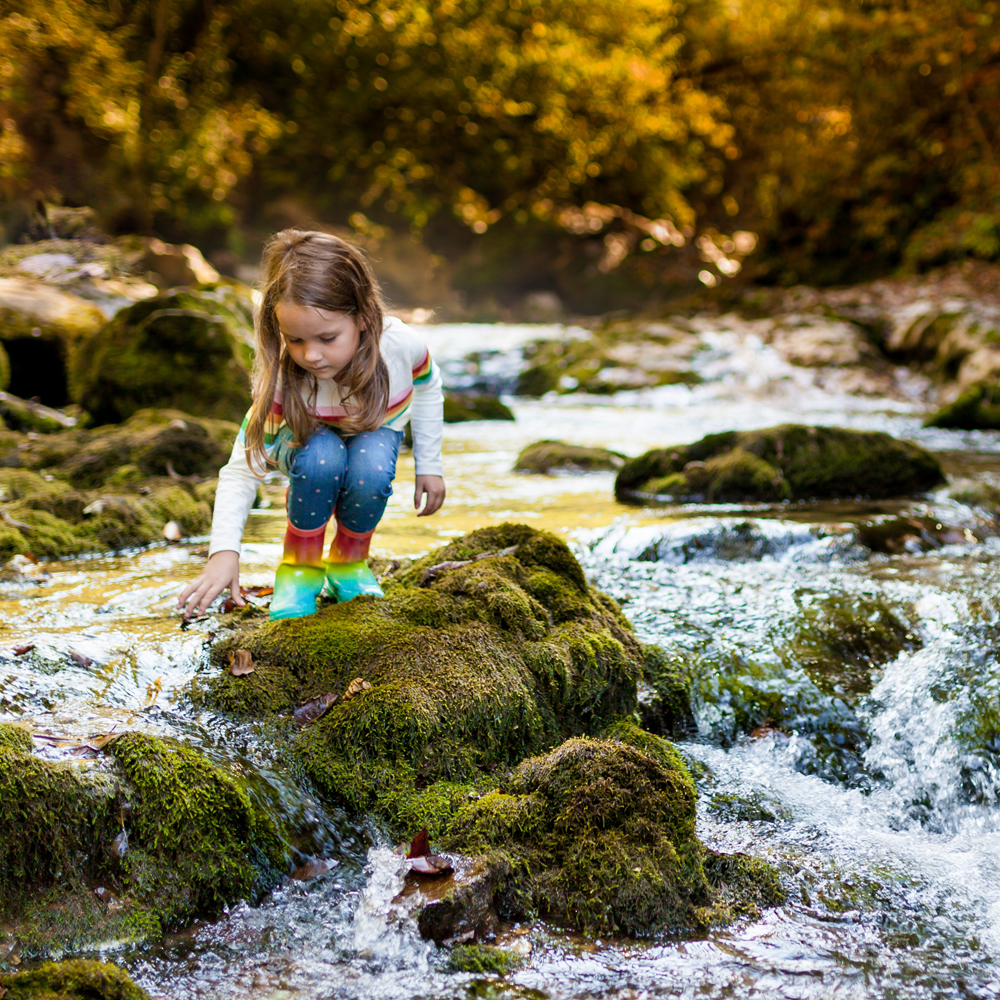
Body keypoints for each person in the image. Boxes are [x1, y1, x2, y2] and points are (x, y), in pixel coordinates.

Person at [177, 229, 445, 621]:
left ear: (364, 317)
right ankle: (299, 569)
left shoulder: (400, 347)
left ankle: (348, 564)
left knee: (370, 467)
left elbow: (430, 387)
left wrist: (430, 465)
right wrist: (223, 553)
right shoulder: (286, 381)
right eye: (295, 339)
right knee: (323, 457)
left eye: (327, 337)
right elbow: (241, 470)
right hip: (309, 442)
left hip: (376, 429)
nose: (311, 355)